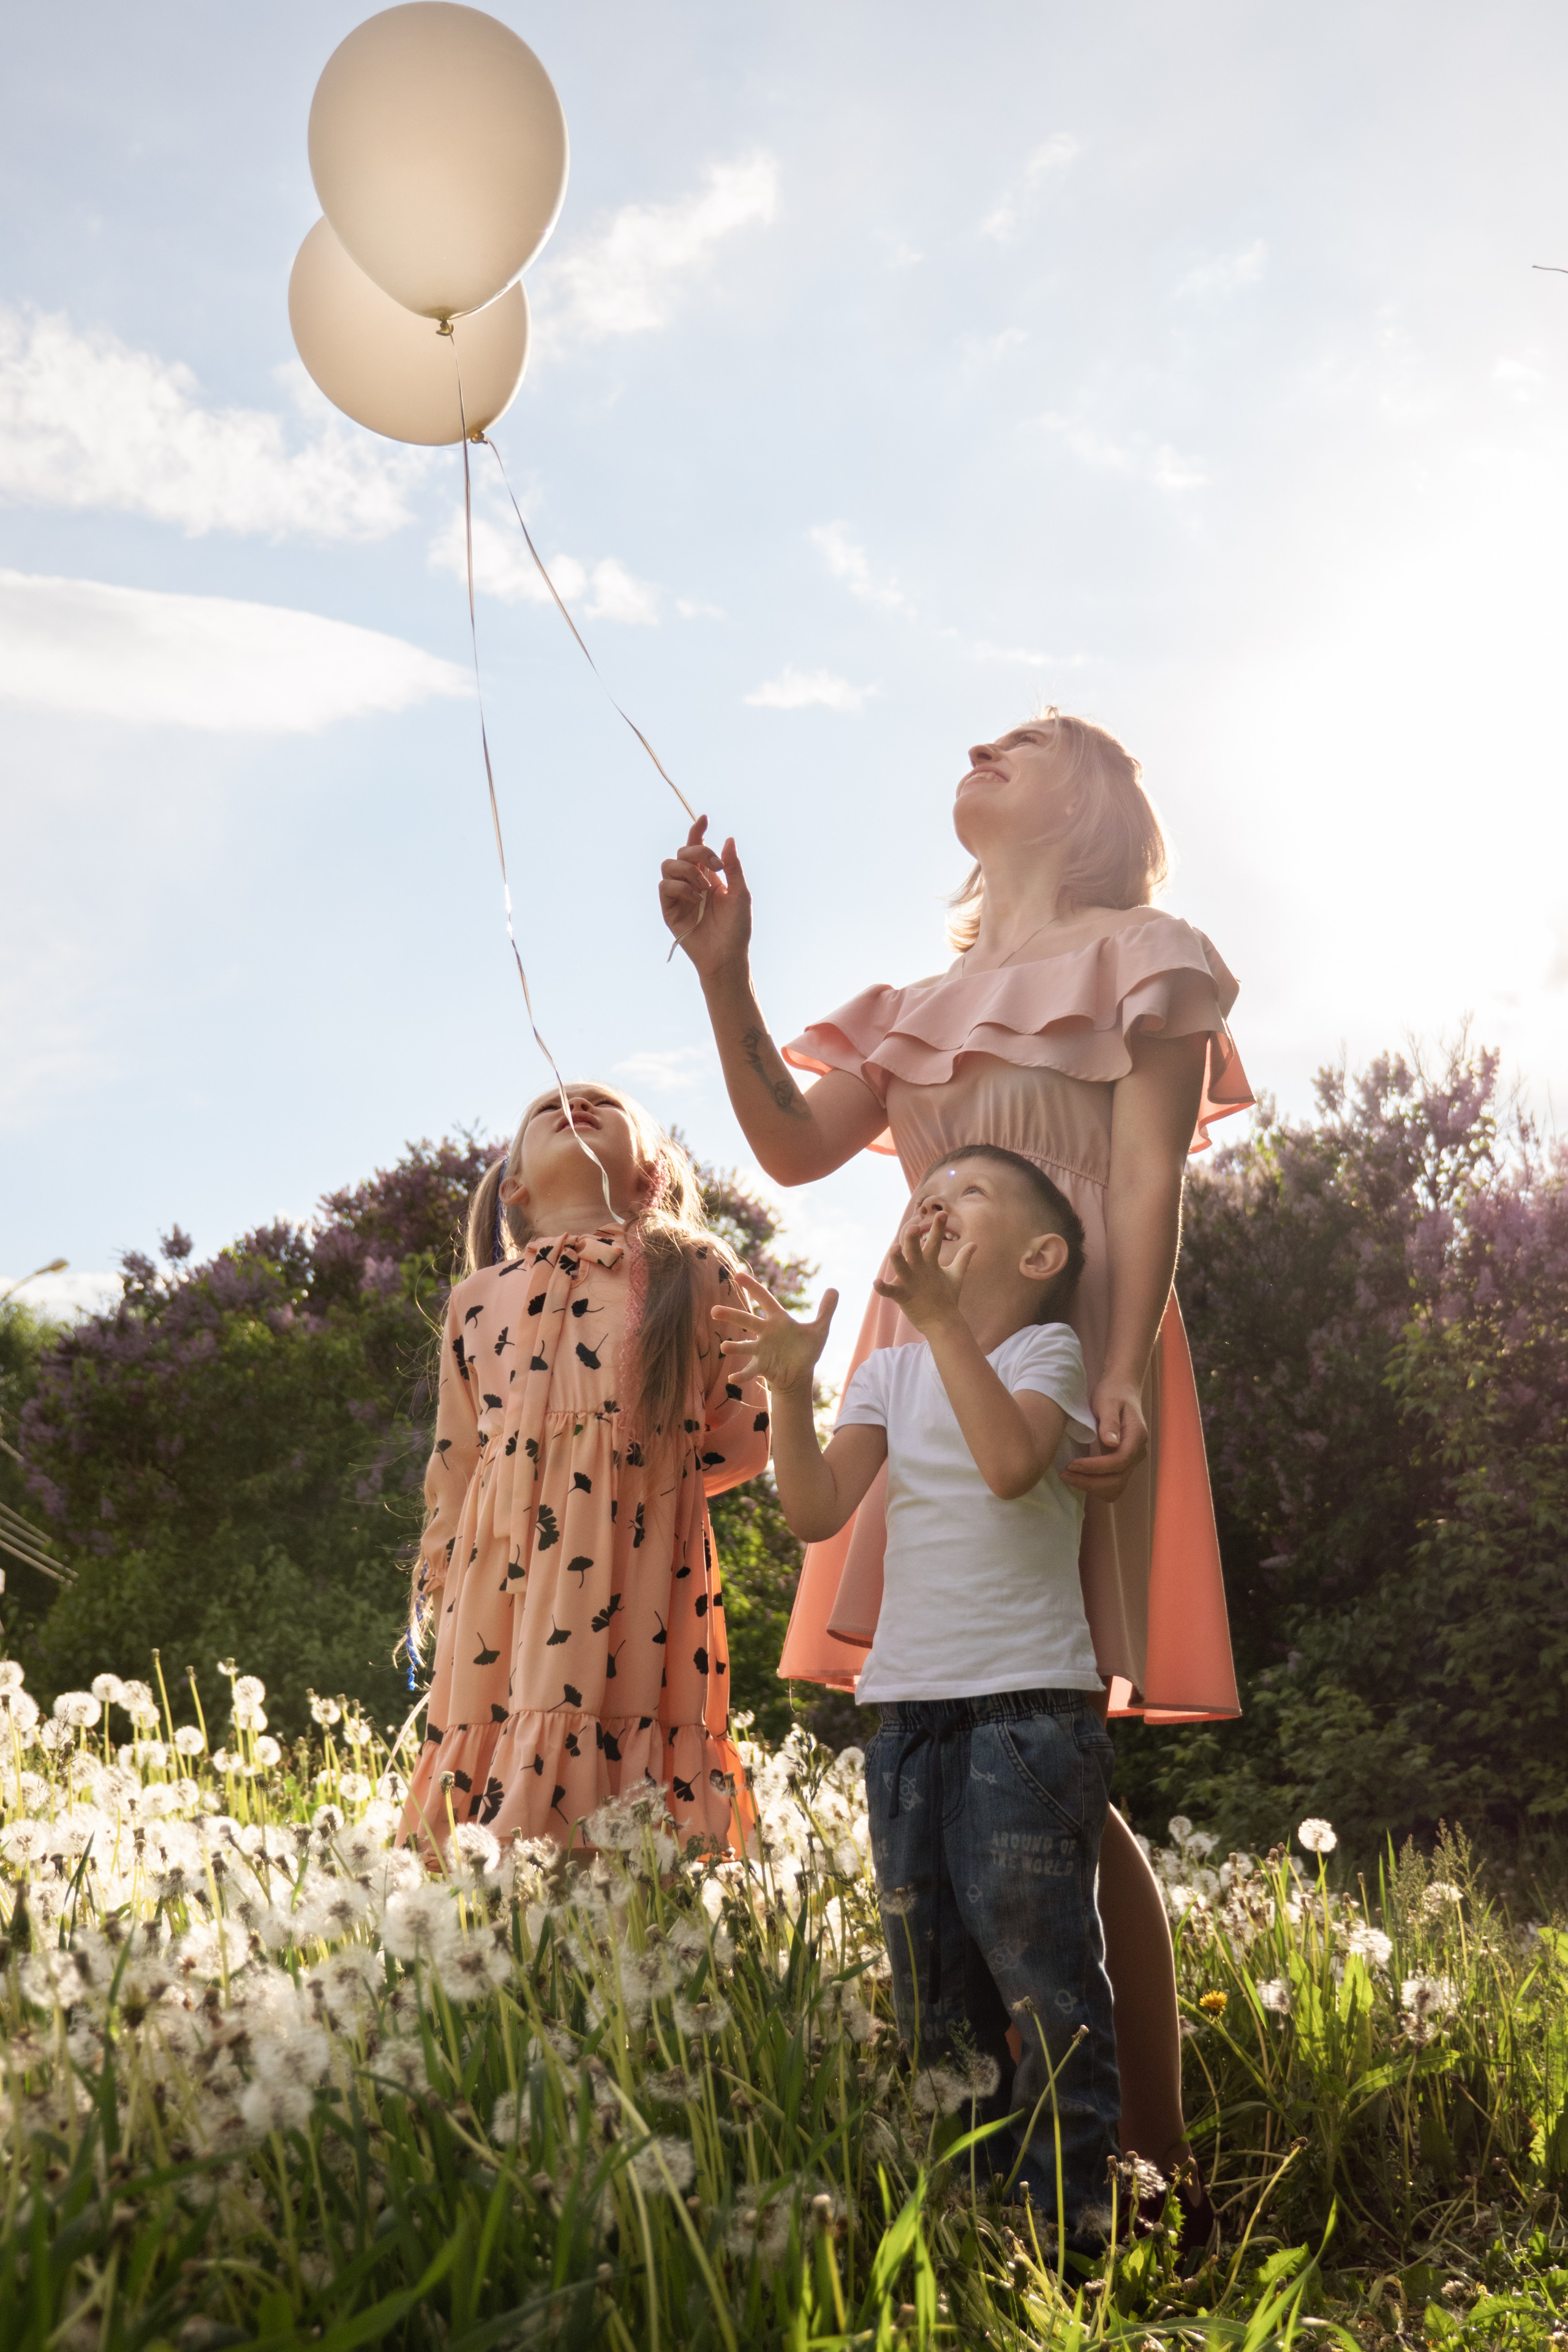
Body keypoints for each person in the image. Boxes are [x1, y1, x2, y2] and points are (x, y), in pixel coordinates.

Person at [658, 708, 1253, 2224]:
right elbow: (793, 1143)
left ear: (1100, 800)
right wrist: (726, 969)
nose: (983, 744)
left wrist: (1112, 1366)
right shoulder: (913, 1000)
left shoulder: (1147, 950)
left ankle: (1144, 2152)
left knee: (1044, 1718)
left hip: (1070, 1343)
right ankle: (1003, 2132)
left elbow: (1139, 1175)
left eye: (1030, 738)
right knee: (982, 1725)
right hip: (919, 1353)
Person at [716, 1144, 1120, 2234]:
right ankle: (974, 2225)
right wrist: (793, 1389)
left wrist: (938, 1322)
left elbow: (1008, 1464)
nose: (935, 1203)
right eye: (923, 1196)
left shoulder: (1049, 1350)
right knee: (932, 1994)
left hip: (1028, 1718)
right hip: (905, 1719)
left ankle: (1073, 2234)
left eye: (968, 1195)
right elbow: (813, 1512)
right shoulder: (885, 1374)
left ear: (1040, 1255)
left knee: (1047, 1988)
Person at [399, 1081, 769, 1855]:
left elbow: (740, 1435)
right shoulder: (475, 1299)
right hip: (500, 1581)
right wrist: (441, 1566)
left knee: (623, 1735)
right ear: (515, 1185)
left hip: (636, 1575)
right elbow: (457, 1454)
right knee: (497, 1737)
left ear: (650, 1174)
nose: (574, 1103)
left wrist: (634, 1481)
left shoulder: (692, 1267)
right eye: (547, 1109)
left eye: (608, 1104)